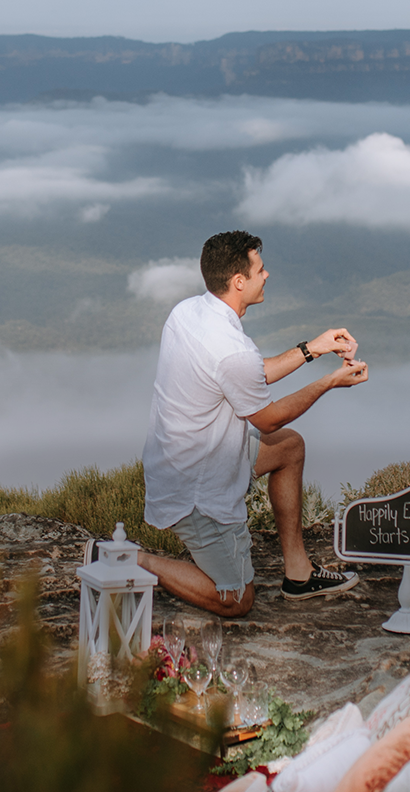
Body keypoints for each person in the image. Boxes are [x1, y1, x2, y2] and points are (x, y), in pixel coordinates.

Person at [111, 230, 368, 618]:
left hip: (182, 459)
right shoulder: (230, 349)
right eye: (260, 270)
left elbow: (250, 375)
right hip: (197, 486)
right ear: (238, 282)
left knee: (289, 448)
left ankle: (298, 575)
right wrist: (330, 381)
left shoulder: (188, 312)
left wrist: (313, 348)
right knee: (236, 600)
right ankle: (134, 561)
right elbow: (266, 419)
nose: (268, 275)